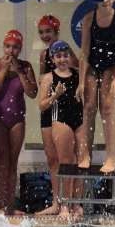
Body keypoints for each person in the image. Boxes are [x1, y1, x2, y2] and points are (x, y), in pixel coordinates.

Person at [0, 30, 37, 215]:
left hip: (17, 118)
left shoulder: (26, 66)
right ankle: (0, 205)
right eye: (8, 46)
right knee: (1, 161)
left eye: (15, 47)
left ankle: (10, 206)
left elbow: (32, 93)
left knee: (13, 162)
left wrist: (20, 72)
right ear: (3, 46)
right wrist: (5, 69)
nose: (11, 50)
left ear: (20, 48)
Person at [76, 0, 115, 173]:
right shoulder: (89, 18)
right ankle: (85, 154)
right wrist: (81, 81)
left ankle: (111, 157)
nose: (106, 0)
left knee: (107, 108)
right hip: (92, 65)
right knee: (89, 107)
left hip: (110, 65)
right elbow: (84, 51)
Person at [38, 40, 86, 222]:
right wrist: (56, 95)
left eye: (65, 55)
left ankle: (76, 203)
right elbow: (42, 106)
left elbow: (84, 63)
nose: (62, 59)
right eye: (58, 56)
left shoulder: (77, 75)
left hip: (78, 120)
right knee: (65, 162)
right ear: (52, 58)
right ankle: (64, 204)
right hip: (60, 120)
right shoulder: (49, 78)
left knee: (81, 161)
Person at [36, 15, 78, 216]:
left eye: (48, 32)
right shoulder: (44, 55)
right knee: (52, 158)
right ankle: (56, 201)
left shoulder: (68, 53)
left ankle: (71, 202)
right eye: (42, 32)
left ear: (56, 31)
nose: (45, 35)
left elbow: (78, 73)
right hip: (50, 107)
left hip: (66, 109)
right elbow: (41, 80)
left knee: (68, 158)